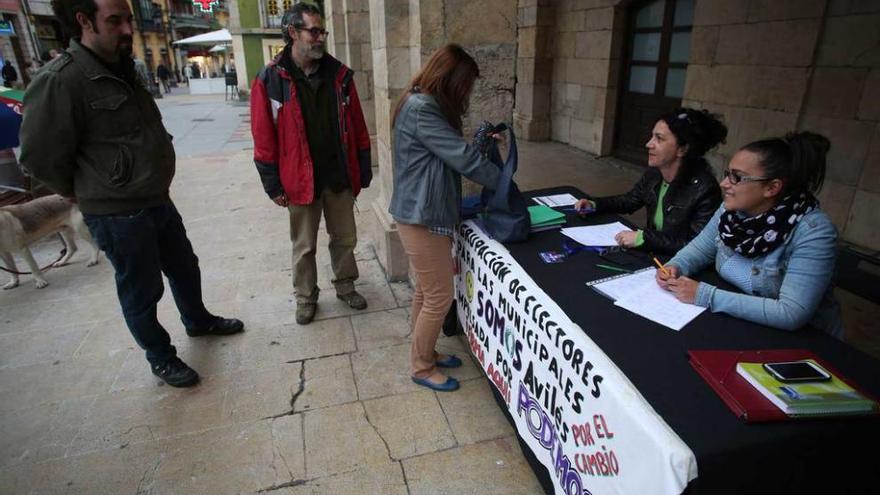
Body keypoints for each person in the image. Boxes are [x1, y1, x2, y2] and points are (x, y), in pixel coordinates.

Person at [19, 0, 244, 388]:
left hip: (156, 197)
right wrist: (81, 191)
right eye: (115, 21)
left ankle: (197, 320)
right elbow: (39, 157)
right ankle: (161, 357)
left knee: (184, 266)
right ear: (84, 21)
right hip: (115, 213)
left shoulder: (123, 68)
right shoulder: (62, 79)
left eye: (128, 20)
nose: (127, 30)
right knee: (142, 289)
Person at [390, 44, 503, 392]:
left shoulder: (420, 102)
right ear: (451, 80)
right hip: (420, 216)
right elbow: (462, 159)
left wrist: (482, 147)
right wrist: (504, 180)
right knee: (439, 296)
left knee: (426, 292)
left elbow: (450, 154)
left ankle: (426, 353)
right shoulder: (423, 108)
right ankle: (421, 368)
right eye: (467, 84)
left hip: (421, 212)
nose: (468, 92)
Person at [250, 3, 372, 324]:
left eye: (323, 31)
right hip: (299, 179)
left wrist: (363, 164)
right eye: (314, 31)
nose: (320, 38)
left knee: (345, 237)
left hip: (338, 175)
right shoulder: (270, 80)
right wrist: (271, 183)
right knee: (304, 246)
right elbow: (263, 138)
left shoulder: (340, 75)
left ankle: (346, 285)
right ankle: (306, 297)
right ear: (293, 33)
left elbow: (358, 125)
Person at [657, 132, 843, 339]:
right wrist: (676, 266)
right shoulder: (730, 212)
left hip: (803, 344)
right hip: (737, 325)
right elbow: (700, 249)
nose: (724, 183)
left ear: (772, 187)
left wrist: (705, 295)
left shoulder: (813, 232)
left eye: (737, 177)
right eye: (727, 173)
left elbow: (791, 312)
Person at [574, 108, 728, 254]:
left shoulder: (705, 189)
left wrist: (644, 238)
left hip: (676, 268)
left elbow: (696, 245)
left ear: (683, 149)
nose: (649, 144)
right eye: (652, 136)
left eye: (659, 139)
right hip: (653, 254)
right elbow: (630, 200)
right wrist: (594, 205)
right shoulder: (655, 174)